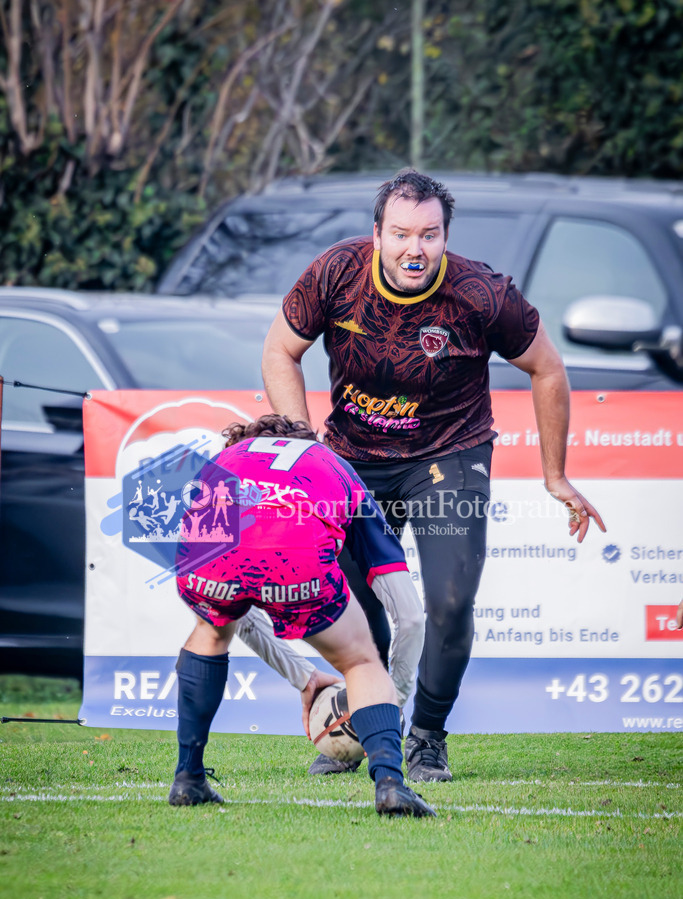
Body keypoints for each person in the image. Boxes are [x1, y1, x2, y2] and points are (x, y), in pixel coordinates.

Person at [262, 168, 606, 783]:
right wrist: (306, 452)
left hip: (448, 457)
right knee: (353, 604)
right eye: (400, 234)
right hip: (353, 460)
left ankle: (426, 736)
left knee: (449, 600)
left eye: (429, 234)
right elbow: (280, 351)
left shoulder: (482, 294)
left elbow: (548, 369)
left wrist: (556, 476)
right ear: (377, 234)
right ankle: (371, 722)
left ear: (446, 236)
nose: (414, 249)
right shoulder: (336, 272)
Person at [169, 413, 434, 818]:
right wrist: (390, 700)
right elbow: (411, 617)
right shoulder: (333, 465)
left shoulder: (225, 460)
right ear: (308, 442)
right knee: (360, 661)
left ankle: (188, 778)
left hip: (207, 558)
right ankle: (390, 785)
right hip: (296, 553)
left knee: (212, 628)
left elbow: (238, 606)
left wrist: (303, 677)